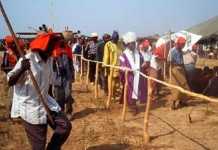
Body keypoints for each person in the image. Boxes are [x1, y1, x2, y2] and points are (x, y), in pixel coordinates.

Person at [7, 33, 72, 150]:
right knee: (39, 145)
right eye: (51, 45)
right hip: (30, 107)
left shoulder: (49, 59)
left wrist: (55, 101)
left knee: (65, 126)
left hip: (45, 102)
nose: (53, 48)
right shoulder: (27, 59)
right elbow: (10, 81)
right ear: (44, 46)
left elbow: (49, 82)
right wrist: (21, 69)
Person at [119, 32, 147, 115]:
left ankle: (134, 106)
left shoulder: (138, 53)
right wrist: (126, 69)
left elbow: (142, 61)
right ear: (128, 44)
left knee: (136, 92)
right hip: (130, 77)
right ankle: (132, 107)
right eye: (132, 43)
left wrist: (144, 64)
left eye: (134, 43)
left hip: (137, 76)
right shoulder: (123, 55)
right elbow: (122, 65)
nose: (134, 45)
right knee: (130, 92)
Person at [168, 36, 190, 110]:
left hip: (181, 69)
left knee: (184, 86)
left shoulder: (180, 51)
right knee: (176, 87)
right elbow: (169, 61)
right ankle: (173, 104)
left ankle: (182, 101)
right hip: (175, 69)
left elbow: (182, 61)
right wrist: (170, 71)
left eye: (184, 44)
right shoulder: (172, 51)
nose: (183, 46)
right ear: (178, 44)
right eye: (182, 44)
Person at [103, 31, 123, 99]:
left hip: (120, 66)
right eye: (115, 39)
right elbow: (106, 56)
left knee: (118, 83)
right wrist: (106, 66)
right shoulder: (108, 44)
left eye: (117, 38)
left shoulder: (120, 44)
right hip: (112, 67)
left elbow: (122, 54)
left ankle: (115, 94)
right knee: (112, 82)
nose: (116, 40)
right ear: (112, 38)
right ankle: (111, 95)